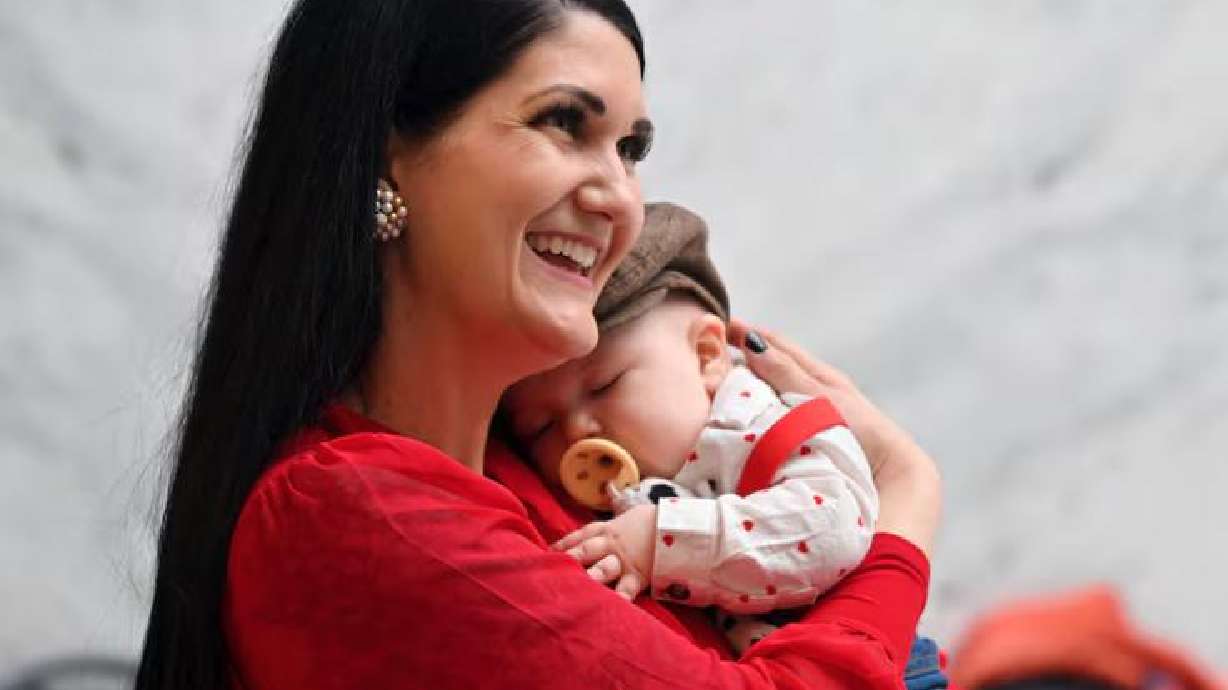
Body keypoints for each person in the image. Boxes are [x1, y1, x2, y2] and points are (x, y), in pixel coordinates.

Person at [134, 1, 942, 689]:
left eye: (630, 150)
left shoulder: (537, 480)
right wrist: (902, 501)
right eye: (564, 122)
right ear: (390, 153)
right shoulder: (362, 516)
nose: (620, 199)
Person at [502, 202, 880, 656]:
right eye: (540, 428)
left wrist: (661, 541)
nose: (577, 431)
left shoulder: (767, 430)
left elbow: (834, 530)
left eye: (606, 385)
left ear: (706, 355)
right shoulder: (614, 505)